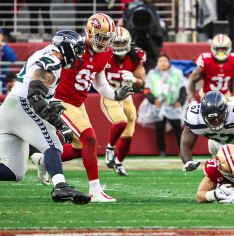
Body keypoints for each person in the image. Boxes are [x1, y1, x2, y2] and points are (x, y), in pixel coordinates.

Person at [0, 30, 90, 205]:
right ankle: (60, 185)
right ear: (67, 48)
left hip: (8, 109)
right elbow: (34, 96)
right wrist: (59, 124)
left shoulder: (46, 52)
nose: (78, 56)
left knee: (14, 171)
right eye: (77, 51)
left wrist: (49, 102)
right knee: (53, 143)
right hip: (21, 105)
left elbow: (37, 90)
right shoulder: (53, 62)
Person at [53, 14, 133, 202]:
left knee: (80, 148)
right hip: (61, 100)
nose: (105, 42)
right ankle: (95, 191)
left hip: (78, 102)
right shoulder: (73, 46)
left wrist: (115, 94)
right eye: (101, 37)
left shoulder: (105, 52)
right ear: (89, 32)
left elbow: (99, 82)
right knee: (89, 136)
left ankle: (43, 159)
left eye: (108, 38)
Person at [102, 27, 146, 176]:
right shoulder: (104, 55)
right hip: (110, 95)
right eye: (117, 43)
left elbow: (143, 83)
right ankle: (109, 149)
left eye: (122, 43)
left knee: (128, 133)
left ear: (128, 43)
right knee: (121, 122)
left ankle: (119, 163)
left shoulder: (135, 55)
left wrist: (134, 80)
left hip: (127, 96)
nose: (120, 46)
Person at [139, 55, 188, 157]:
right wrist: (153, 100)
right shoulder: (152, 74)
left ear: (169, 62)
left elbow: (183, 87)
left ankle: (183, 150)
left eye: (165, 61)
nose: (163, 63)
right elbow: (146, 89)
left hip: (173, 106)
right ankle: (162, 150)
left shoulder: (177, 73)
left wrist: (181, 101)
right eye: (160, 61)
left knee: (177, 128)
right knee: (159, 129)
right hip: (158, 107)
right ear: (157, 63)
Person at [188, 34, 234, 106]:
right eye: (218, 48)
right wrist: (192, 99)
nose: (220, 51)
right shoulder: (206, 60)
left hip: (225, 95)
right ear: (213, 48)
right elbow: (192, 80)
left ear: (229, 48)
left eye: (223, 48)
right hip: (207, 95)